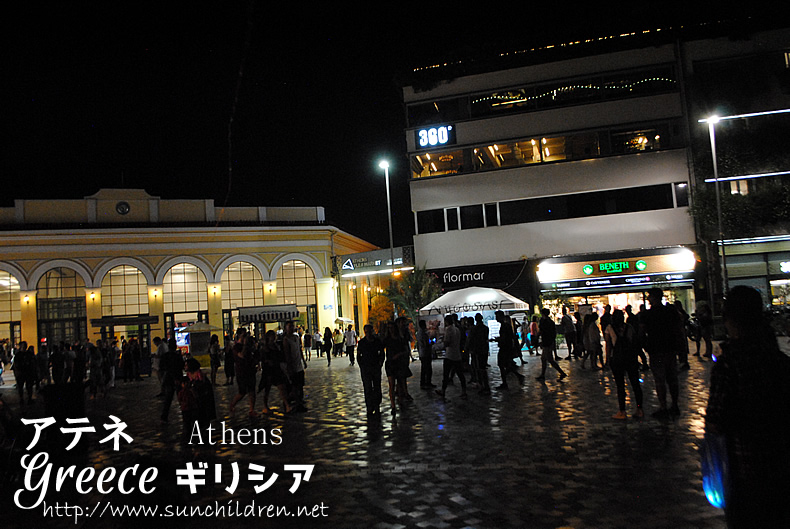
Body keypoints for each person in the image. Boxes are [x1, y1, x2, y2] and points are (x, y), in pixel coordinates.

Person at [705, 285, 790, 528]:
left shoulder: (730, 364)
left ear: (730, 318)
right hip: (782, 465)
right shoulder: (779, 360)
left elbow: (716, 420)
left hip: (745, 470)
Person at [640, 288, 684, 420]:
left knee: (660, 380)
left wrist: (646, 346)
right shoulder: (670, 312)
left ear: (654, 298)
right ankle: (674, 405)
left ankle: (663, 406)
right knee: (672, 378)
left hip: (656, 350)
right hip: (670, 348)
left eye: (649, 297)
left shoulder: (647, 315)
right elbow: (678, 329)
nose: (648, 299)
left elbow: (642, 333)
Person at [603, 310, 643, 419]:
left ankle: (622, 411)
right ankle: (639, 409)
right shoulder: (629, 327)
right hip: (630, 358)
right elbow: (634, 342)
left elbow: (608, 346)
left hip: (617, 359)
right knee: (635, 384)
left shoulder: (609, 328)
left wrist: (607, 360)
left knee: (620, 385)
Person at [178, 358, 216, 459]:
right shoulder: (190, 378)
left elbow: (204, 395)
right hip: (193, 408)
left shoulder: (201, 379)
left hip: (202, 407)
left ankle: (202, 448)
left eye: (187, 365)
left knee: (201, 427)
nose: (185, 367)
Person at [257, 330, 292, 414]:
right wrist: (266, 361)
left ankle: (287, 405)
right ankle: (265, 406)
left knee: (281, 387)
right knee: (267, 389)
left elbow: (280, 356)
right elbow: (261, 358)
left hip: (276, 369)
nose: (274, 337)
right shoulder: (265, 348)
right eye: (273, 336)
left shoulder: (276, 346)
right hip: (268, 370)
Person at [357, 324, 386, 418]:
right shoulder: (362, 343)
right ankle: (369, 406)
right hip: (366, 368)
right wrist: (361, 365)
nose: (368, 333)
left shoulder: (377, 342)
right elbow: (359, 355)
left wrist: (380, 363)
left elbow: (382, 353)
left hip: (375, 367)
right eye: (366, 332)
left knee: (377, 387)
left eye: (369, 331)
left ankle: (376, 405)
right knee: (368, 388)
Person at [436, 315, 467, 400]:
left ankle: (443, 390)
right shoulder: (457, 329)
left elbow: (447, 343)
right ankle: (464, 391)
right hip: (457, 354)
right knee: (460, 374)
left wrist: (441, 343)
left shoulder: (448, 330)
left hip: (449, 355)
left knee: (446, 374)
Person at [383, 320, 410, 415]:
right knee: (391, 385)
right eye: (389, 328)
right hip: (390, 363)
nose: (391, 330)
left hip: (399, 363)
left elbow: (405, 350)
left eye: (392, 328)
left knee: (400, 383)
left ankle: (400, 401)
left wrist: (399, 355)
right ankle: (393, 405)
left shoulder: (400, 339)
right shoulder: (387, 339)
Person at [494, 310, 524, 389]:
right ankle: (517, 377)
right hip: (507, 348)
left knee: (502, 365)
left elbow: (504, 338)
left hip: (504, 348)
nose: (496, 318)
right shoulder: (507, 326)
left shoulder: (504, 326)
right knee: (507, 365)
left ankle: (505, 382)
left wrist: (497, 340)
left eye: (497, 317)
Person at [229, 335, 258, 417]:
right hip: (241, 372)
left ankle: (252, 410)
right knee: (242, 392)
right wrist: (245, 345)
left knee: (252, 391)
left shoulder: (249, 346)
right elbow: (241, 355)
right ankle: (232, 404)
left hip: (250, 370)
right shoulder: (236, 347)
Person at [283, 320, 307, 412]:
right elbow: (287, 354)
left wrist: (303, 360)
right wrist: (290, 367)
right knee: (295, 386)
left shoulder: (296, 337)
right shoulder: (286, 339)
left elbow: (299, 349)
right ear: (286, 328)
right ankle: (295, 403)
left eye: (292, 326)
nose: (292, 328)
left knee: (300, 385)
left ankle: (299, 402)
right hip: (293, 366)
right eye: (289, 327)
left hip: (299, 364)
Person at [536, 308, 567, 381]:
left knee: (549, 359)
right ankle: (543, 374)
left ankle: (561, 372)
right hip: (549, 341)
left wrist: (537, 339)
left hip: (546, 342)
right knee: (544, 358)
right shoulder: (551, 322)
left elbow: (541, 331)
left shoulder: (543, 322)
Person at [159, 340, 184, 424]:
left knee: (168, 399)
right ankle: (185, 414)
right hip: (177, 378)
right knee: (181, 397)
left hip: (168, 378)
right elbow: (182, 366)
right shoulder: (177, 356)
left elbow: (161, 367)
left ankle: (164, 416)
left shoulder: (165, 356)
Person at [416, 319, 434, 389]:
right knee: (428, 368)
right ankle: (427, 382)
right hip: (426, 353)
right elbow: (425, 344)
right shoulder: (423, 333)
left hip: (422, 353)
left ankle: (423, 382)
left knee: (424, 368)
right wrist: (431, 344)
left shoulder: (419, 333)